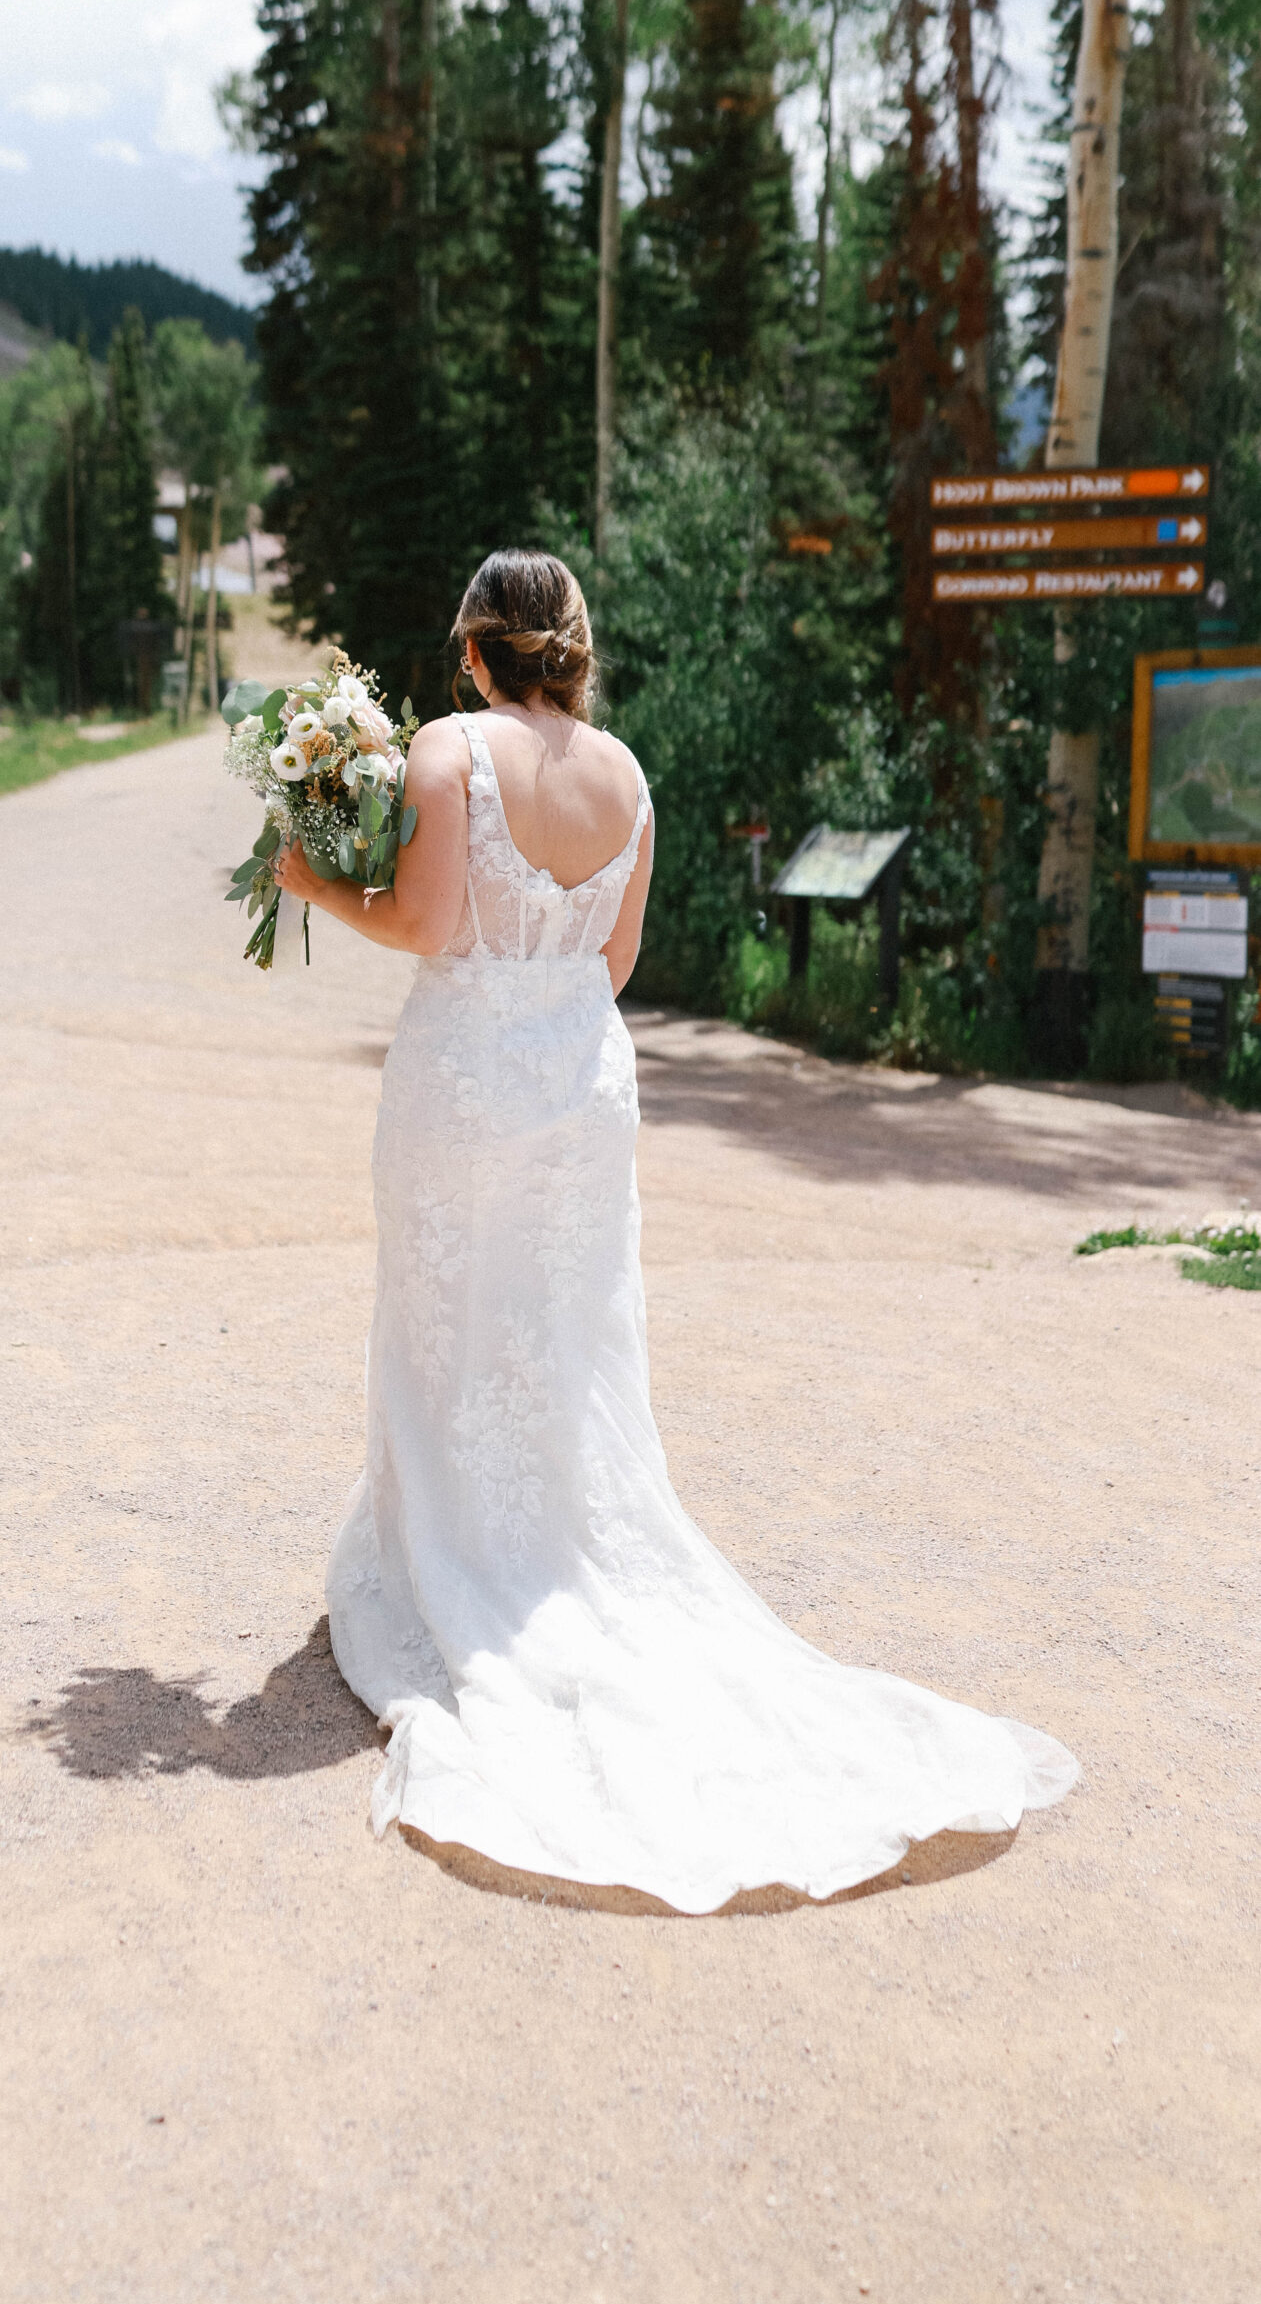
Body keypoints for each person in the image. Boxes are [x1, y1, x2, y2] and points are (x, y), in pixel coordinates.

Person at [277, 550, 1077, 1912]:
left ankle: (455, 1558)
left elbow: (424, 925)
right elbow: (615, 962)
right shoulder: (627, 776)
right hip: (580, 1082)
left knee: (448, 1318)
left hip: (467, 1079)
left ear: (474, 650)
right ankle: (543, 1555)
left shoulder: (446, 751)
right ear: (570, 647)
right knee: (563, 1333)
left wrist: (310, 878)